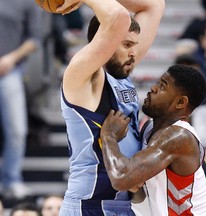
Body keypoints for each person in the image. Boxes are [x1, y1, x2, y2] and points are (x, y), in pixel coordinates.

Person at [57, 0, 165, 215]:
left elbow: (155, 4)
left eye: (134, 44)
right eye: (126, 44)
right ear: (106, 40)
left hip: (122, 203)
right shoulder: (83, 77)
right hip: (88, 205)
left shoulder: (122, 70)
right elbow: (117, 18)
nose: (134, 52)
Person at [100, 64, 206, 215]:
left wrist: (108, 135)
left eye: (162, 86)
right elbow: (135, 184)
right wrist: (134, 180)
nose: (153, 88)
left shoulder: (178, 137)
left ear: (180, 102)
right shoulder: (149, 127)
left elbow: (121, 177)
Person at [0, 0, 41, 199]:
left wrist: (11, 58)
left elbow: (35, 40)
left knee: (17, 130)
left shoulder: (26, 2)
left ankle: (11, 180)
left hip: (9, 71)